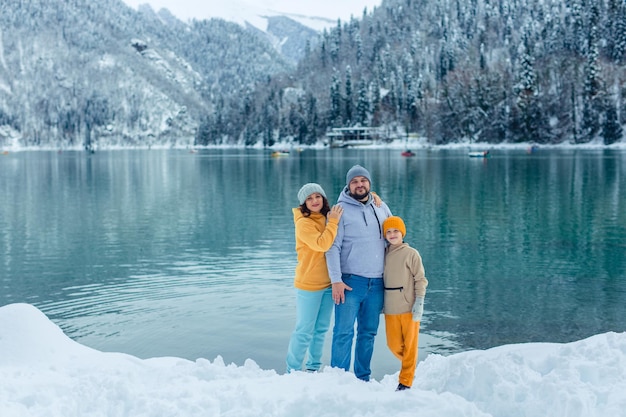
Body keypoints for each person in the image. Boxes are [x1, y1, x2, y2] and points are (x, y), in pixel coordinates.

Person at [326, 165, 392, 381]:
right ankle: (339, 379)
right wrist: (335, 280)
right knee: (343, 333)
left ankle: (362, 378)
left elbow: (394, 238)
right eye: (354, 181)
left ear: (369, 184)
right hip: (350, 283)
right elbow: (332, 247)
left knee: (368, 333)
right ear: (348, 185)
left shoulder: (381, 208)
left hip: (377, 284)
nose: (359, 184)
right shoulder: (339, 211)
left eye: (363, 180)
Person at [286, 183, 343, 373]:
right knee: (303, 331)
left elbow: (351, 197)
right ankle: (292, 371)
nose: (314, 201)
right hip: (309, 285)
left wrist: (374, 196)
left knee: (320, 330)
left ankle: (313, 369)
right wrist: (333, 223)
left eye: (317, 196)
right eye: (309, 199)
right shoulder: (303, 223)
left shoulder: (326, 217)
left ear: (323, 198)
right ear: (304, 203)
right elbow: (322, 244)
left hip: (328, 285)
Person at [381, 216, 428, 391]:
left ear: (402, 233)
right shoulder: (384, 254)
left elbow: (420, 279)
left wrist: (420, 302)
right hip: (391, 308)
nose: (392, 235)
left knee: (410, 346)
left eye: (396, 231)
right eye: (389, 232)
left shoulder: (411, 254)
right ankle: (411, 364)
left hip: (410, 308)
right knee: (393, 345)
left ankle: (405, 381)